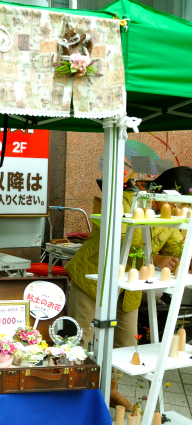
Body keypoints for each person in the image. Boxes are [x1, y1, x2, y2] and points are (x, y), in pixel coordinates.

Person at [65, 166, 192, 409]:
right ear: (163, 190)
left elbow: (176, 244)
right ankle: (72, 393)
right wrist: (154, 258)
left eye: (183, 204)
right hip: (95, 277)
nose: (179, 208)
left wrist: (181, 255)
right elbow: (118, 237)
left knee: (125, 343)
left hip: (129, 289)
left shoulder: (172, 213)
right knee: (80, 336)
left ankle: (109, 390)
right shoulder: (125, 200)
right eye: (177, 202)